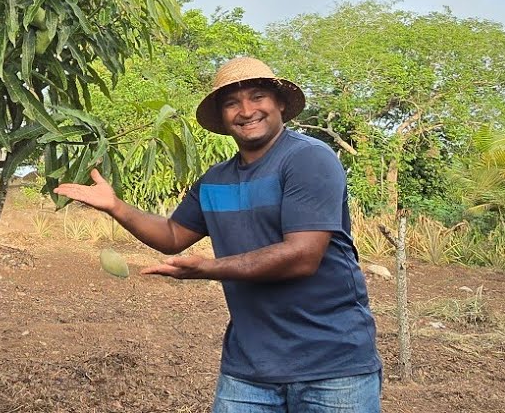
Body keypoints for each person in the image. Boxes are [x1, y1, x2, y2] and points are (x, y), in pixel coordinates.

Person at [56, 56, 382, 413]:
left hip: (333, 366)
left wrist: (208, 268)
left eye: (257, 97)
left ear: (280, 104)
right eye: (231, 103)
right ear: (223, 118)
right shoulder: (216, 180)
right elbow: (172, 235)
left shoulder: (307, 159)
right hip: (250, 368)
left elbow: (303, 256)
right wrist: (116, 206)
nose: (246, 111)